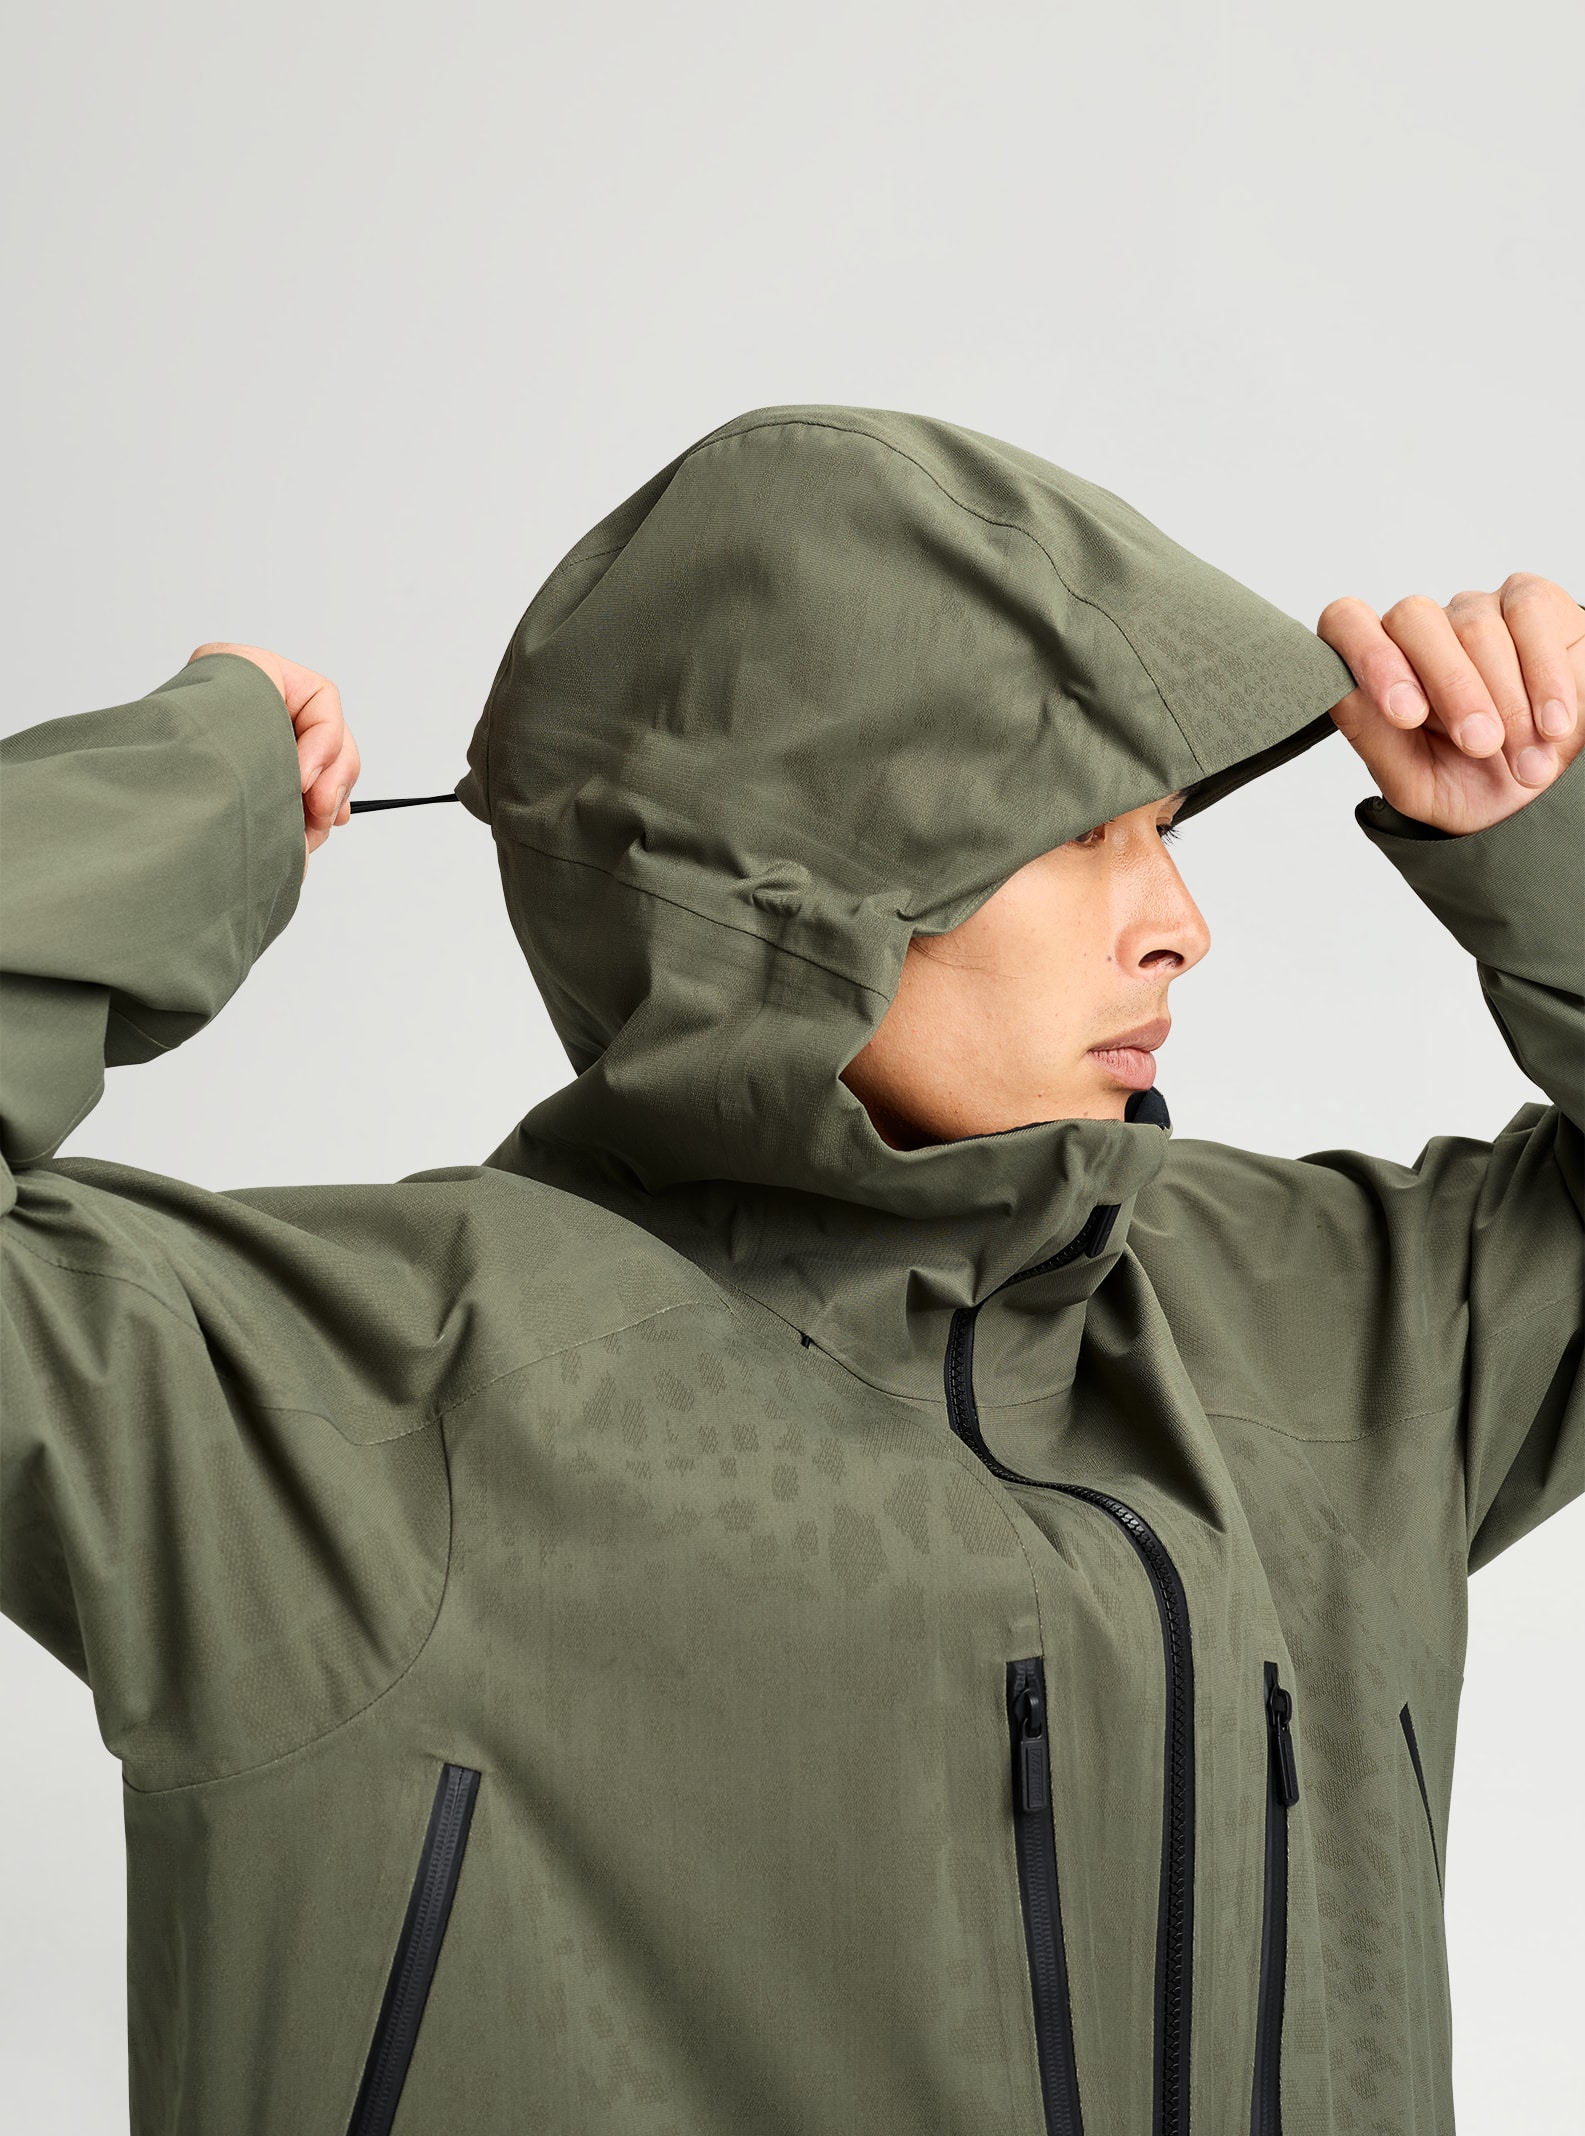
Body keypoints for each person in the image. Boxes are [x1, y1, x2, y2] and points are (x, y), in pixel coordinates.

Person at [1, 407, 1578, 2136]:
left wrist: (1549, 840)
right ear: (802, 882)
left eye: (1168, 832)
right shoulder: (346, 1401)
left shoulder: (1317, 1319)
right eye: (1078, 832)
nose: (1175, 926)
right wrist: (186, 796)